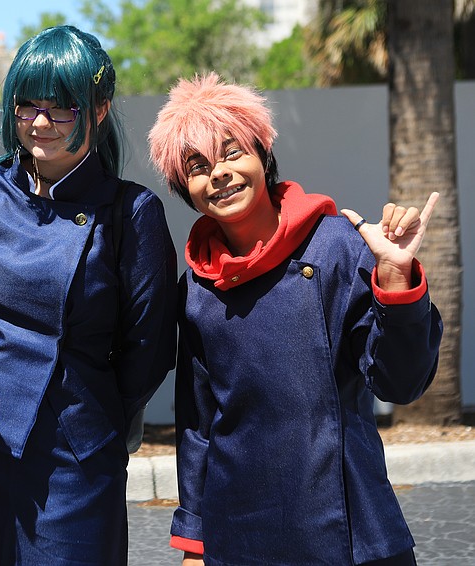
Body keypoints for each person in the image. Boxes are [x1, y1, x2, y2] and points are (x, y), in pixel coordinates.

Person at [0, 25, 177, 566]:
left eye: (62, 108)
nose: (41, 123)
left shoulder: (132, 212)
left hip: (73, 453)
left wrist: (90, 414)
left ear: (99, 111)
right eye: (27, 105)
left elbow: (148, 347)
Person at [147, 73, 443, 566]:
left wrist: (395, 278)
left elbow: (401, 382)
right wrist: (194, 543)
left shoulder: (336, 246)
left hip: (351, 532)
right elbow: (198, 425)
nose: (218, 173)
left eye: (232, 151)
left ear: (263, 154)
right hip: (238, 536)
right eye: (197, 166)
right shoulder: (195, 288)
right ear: (185, 188)